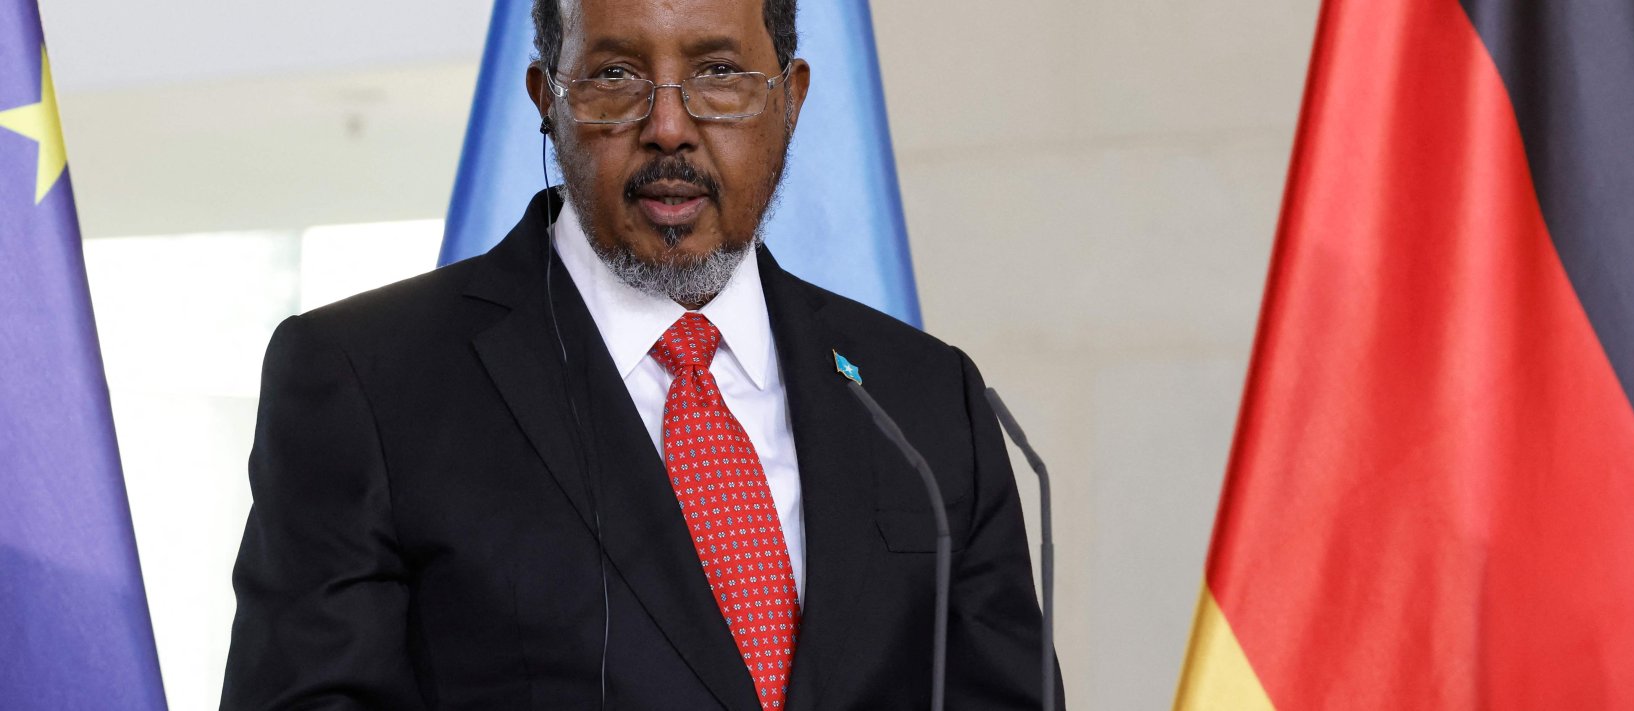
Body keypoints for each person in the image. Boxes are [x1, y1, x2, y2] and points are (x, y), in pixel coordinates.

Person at [220, 0, 1059, 708]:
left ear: (790, 100)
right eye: (615, 75)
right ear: (547, 99)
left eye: (719, 73)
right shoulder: (366, 380)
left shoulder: (924, 399)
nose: (667, 126)